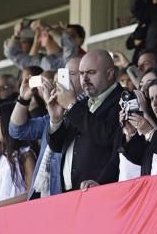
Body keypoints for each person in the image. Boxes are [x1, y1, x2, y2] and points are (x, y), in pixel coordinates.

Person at [47, 50, 124, 191]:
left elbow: (107, 136)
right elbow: (57, 146)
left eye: (91, 73)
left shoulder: (123, 99)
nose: (85, 79)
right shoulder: (80, 105)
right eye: (81, 73)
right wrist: (56, 119)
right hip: (71, 193)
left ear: (109, 73)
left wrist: (71, 106)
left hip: (102, 189)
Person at [119, 75, 157, 177]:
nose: (154, 103)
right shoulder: (155, 126)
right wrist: (130, 132)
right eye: (151, 99)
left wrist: (144, 114)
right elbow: (136, 159)